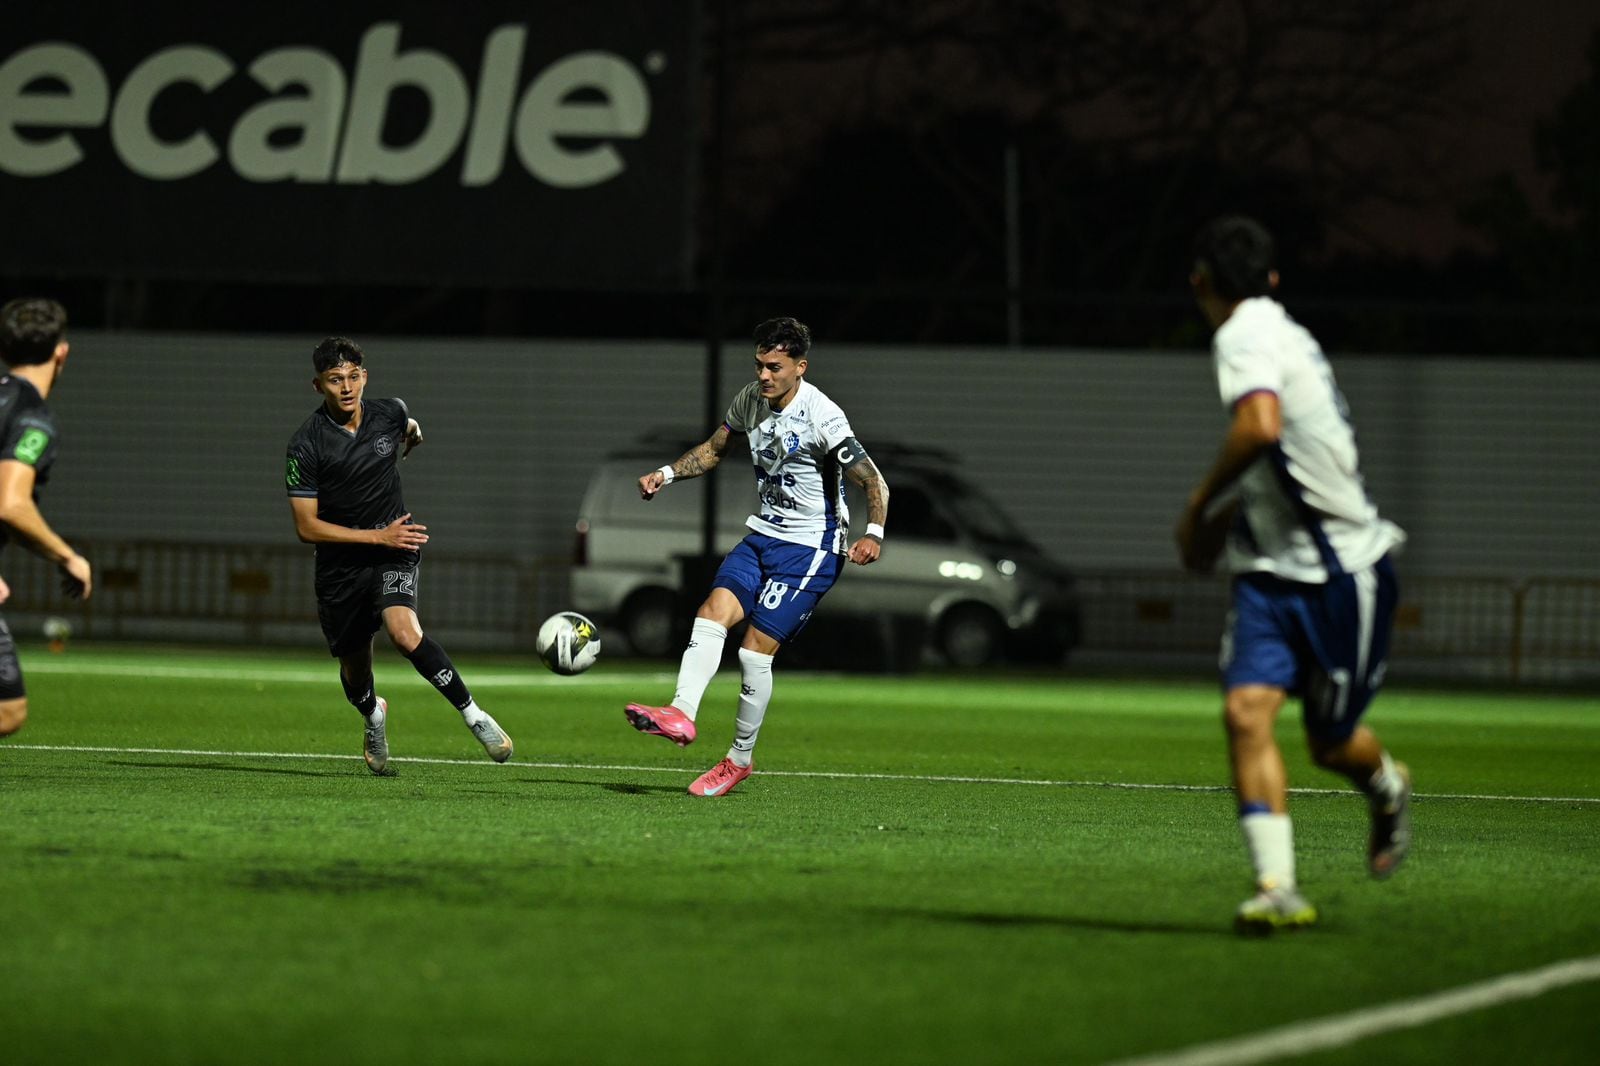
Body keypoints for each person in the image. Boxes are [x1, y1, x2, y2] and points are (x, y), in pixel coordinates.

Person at [1176, 216, 1412, 935]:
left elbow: (1261, 429)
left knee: (1332, 743)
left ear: (1202, 283)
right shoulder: (1281, 328)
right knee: (1246, 713)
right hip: (1269, 573)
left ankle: (1388, 787)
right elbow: (1277, 463)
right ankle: (1276, 887)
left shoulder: (1243, 332)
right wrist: (1226, 524)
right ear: (1273, 278)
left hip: (1344, 570)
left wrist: (1196, 505)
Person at [624, 317, 889, 796]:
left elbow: (873, 480)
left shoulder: (823, 416)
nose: (763, 376)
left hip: (812, 548)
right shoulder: (750, 400)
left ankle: (738, 760)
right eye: (759, 365)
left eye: (774, 367)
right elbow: (714, 449)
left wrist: (873, 533)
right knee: (711, 614)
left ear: (799, 367)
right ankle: (681, 713)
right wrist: (666, 473)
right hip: (763, 535)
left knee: (752, 652)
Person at [285, 337, 513, 775]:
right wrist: (377, 538)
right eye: (335, 380)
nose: (347, 387)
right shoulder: (305, 445)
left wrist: (414, 430)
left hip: (396, 548)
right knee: (355, 672)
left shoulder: (389, 412)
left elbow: (406, 423)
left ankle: (475, 716)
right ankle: (373, 716)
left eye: (354, 377)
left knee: (405, 634)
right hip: (341, 567)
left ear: (365, 377)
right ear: (318, 386)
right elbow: (306, 527)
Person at [0, 297, 92, 737]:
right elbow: (11, 503)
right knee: (7, 712)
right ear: (62, 353)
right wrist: (67, 556)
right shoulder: (31, 416)